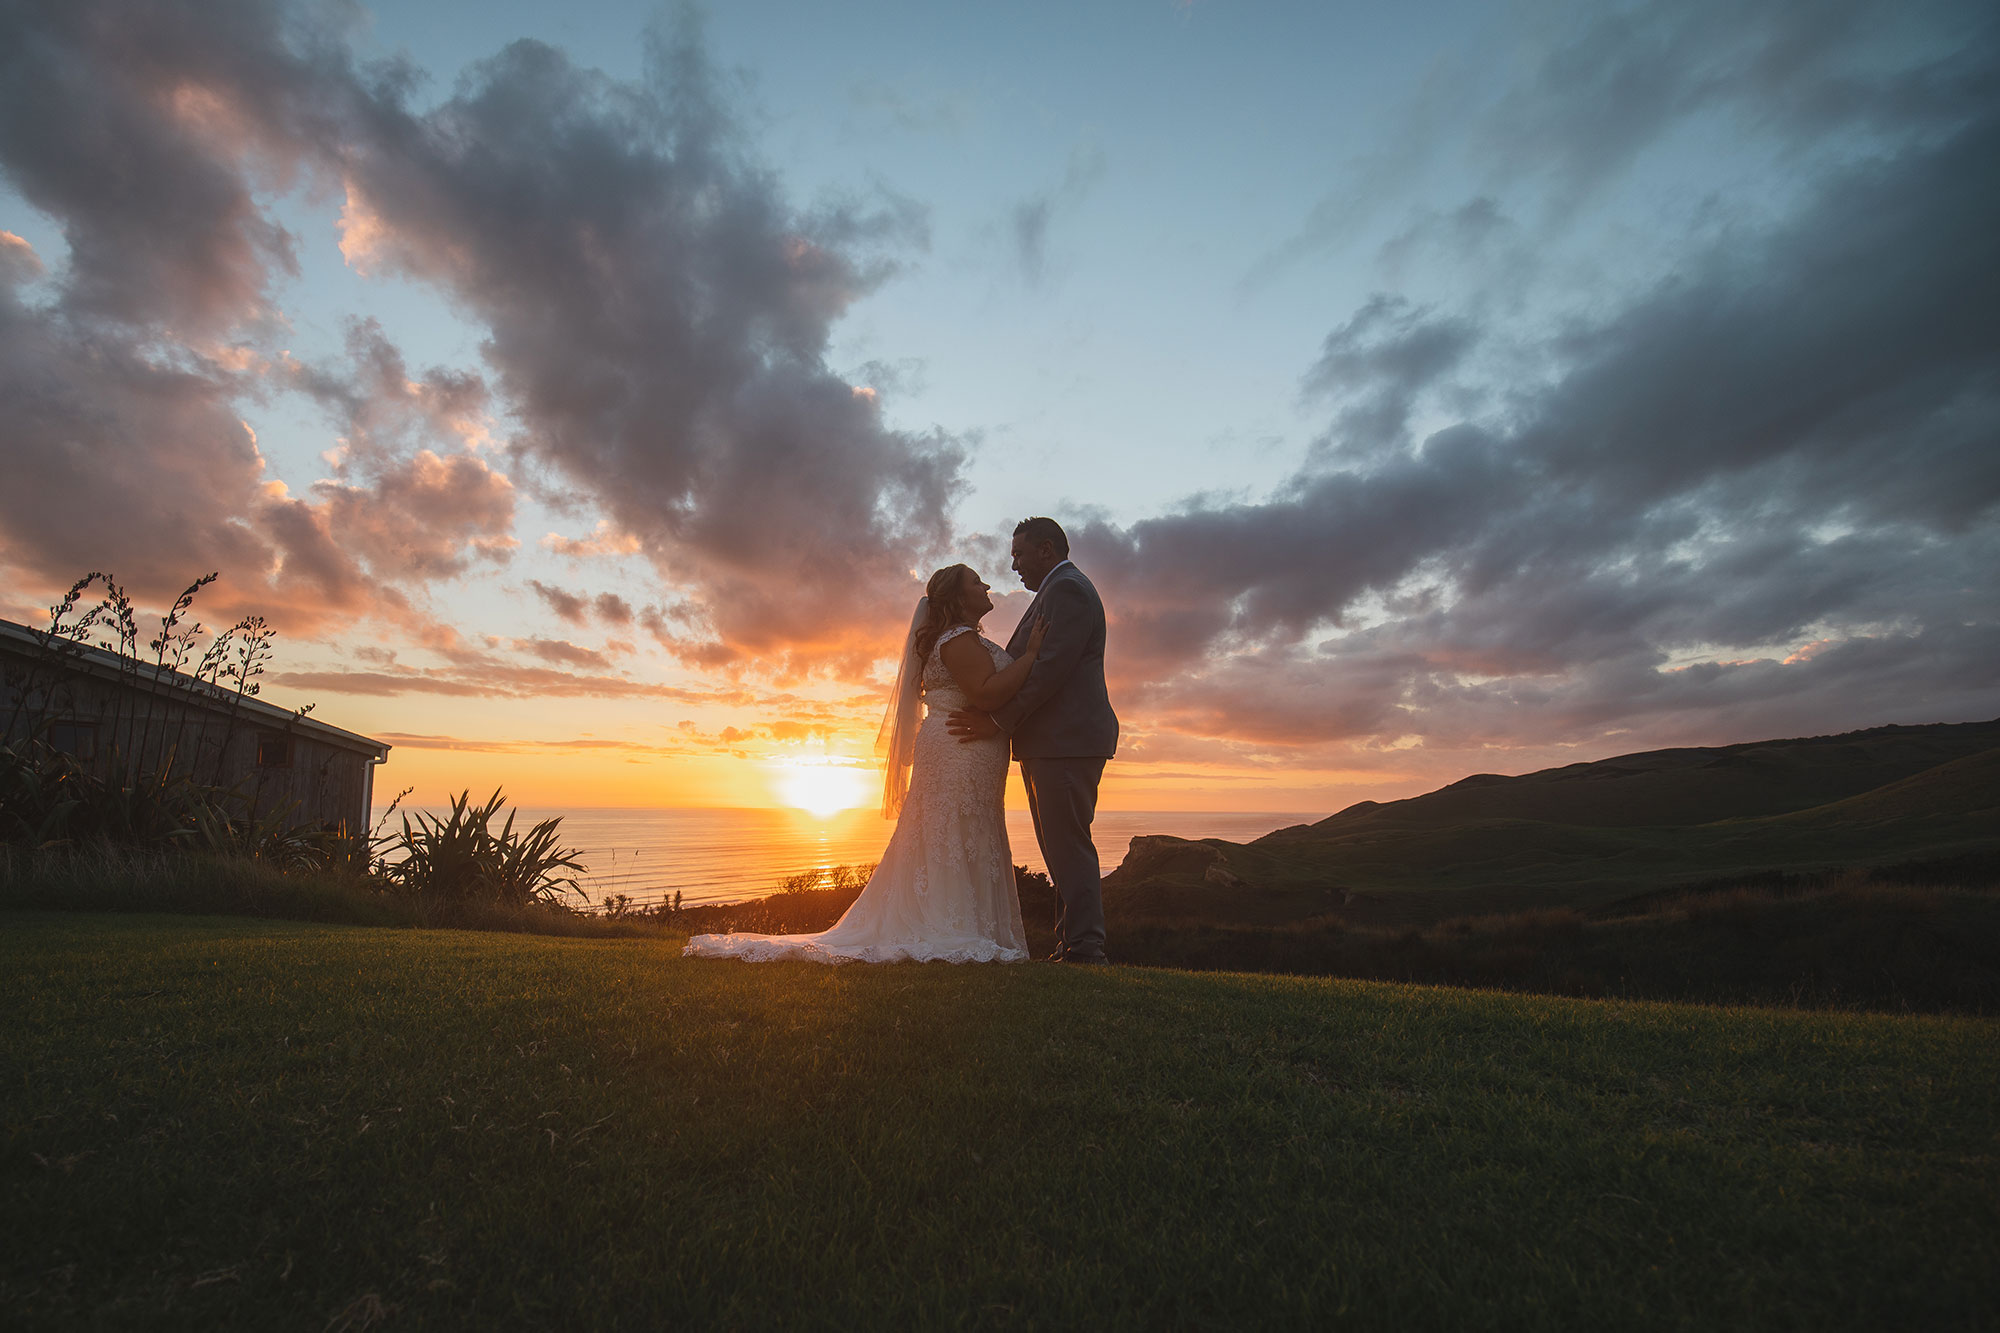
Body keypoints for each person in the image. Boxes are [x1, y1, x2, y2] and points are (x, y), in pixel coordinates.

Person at [684, 564, 1047, 963]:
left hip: (966, 752)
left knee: (960, 833)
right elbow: (987, 694)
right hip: (957, 751)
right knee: (952, 832)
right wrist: (1031, 657)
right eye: (977, 582)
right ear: (959, 599)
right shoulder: (959, 640)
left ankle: (967, 925)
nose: (987, 585)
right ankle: (952, 927)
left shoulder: (964, 639)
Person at [946, 517, 1118, 963]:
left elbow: (1049, 672)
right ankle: (1071, 943)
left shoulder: (1067, 590)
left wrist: (998, 722)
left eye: (1019, 554)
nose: (1013, 565)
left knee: (1067, 845)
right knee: (1058, 847)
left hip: (1066, 741)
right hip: (1051, 742)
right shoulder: (1056, 590)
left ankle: (1085, 948)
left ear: (1046, 549)